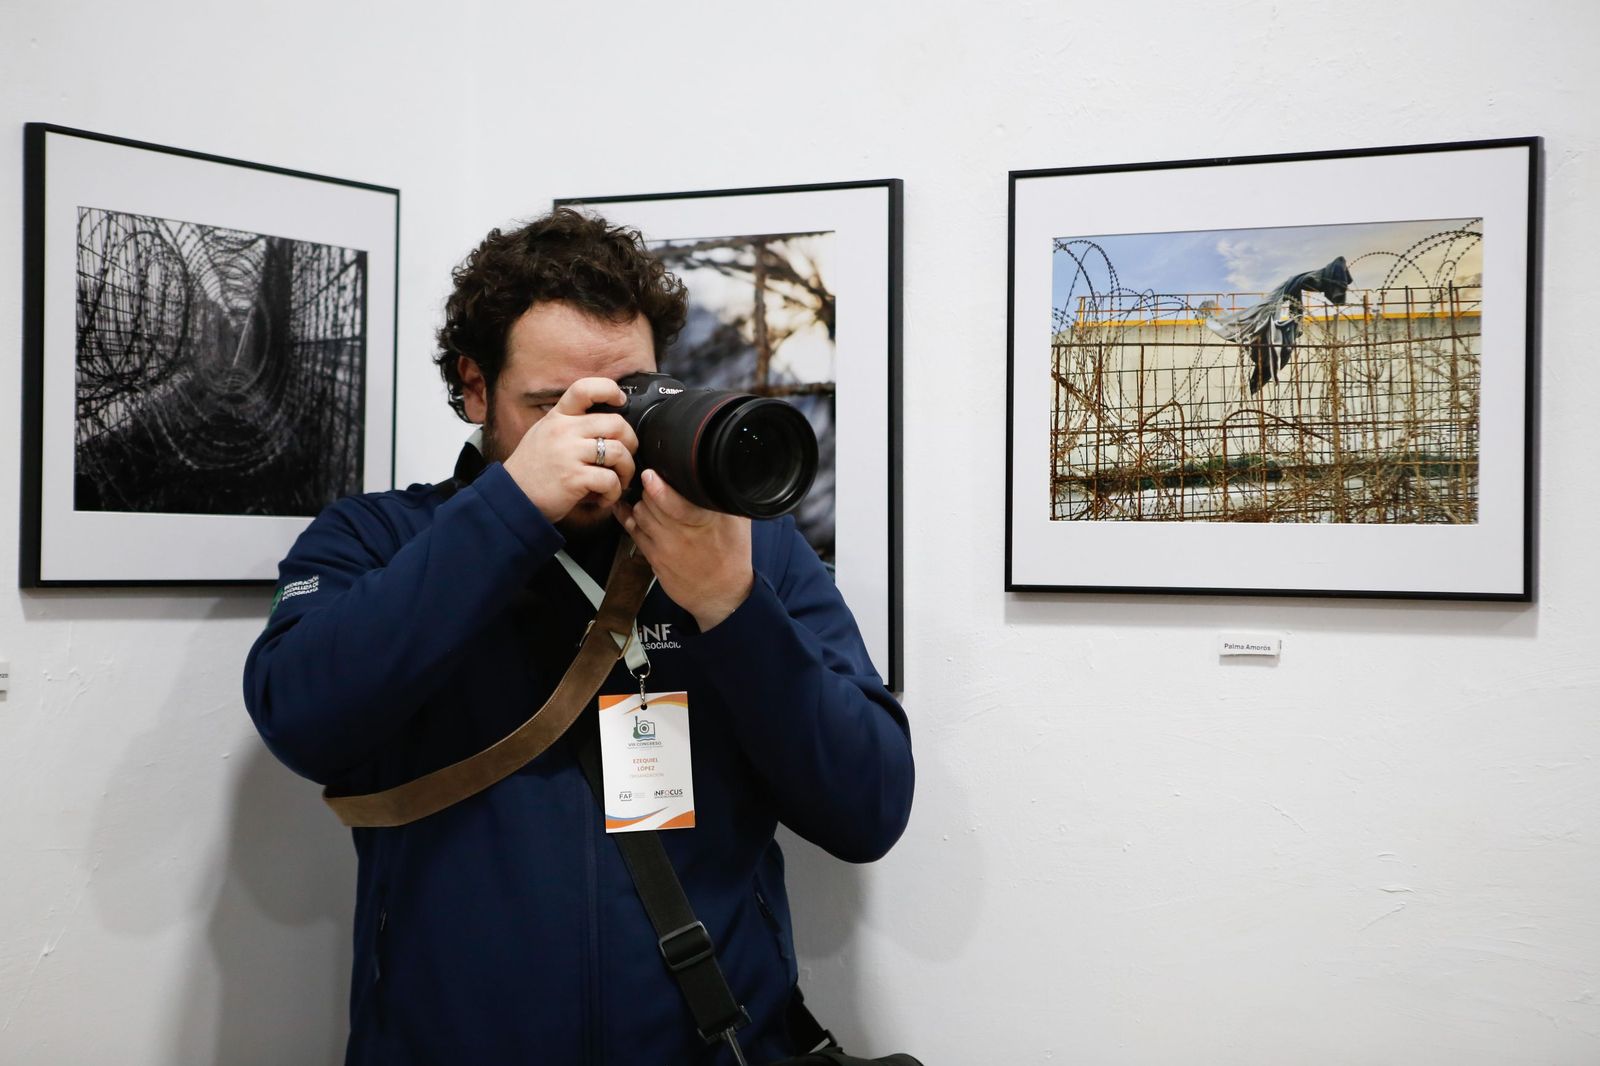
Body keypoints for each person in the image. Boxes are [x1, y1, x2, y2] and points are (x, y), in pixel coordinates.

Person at [242, 207, 915, 1065]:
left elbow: (870, 808)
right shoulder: (379, 542)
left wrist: (729, 604)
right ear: (474, 387)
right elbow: (302, 719)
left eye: (626, 395)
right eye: (551, 407)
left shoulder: (742, 549)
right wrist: (508, 515)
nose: (601, 436)